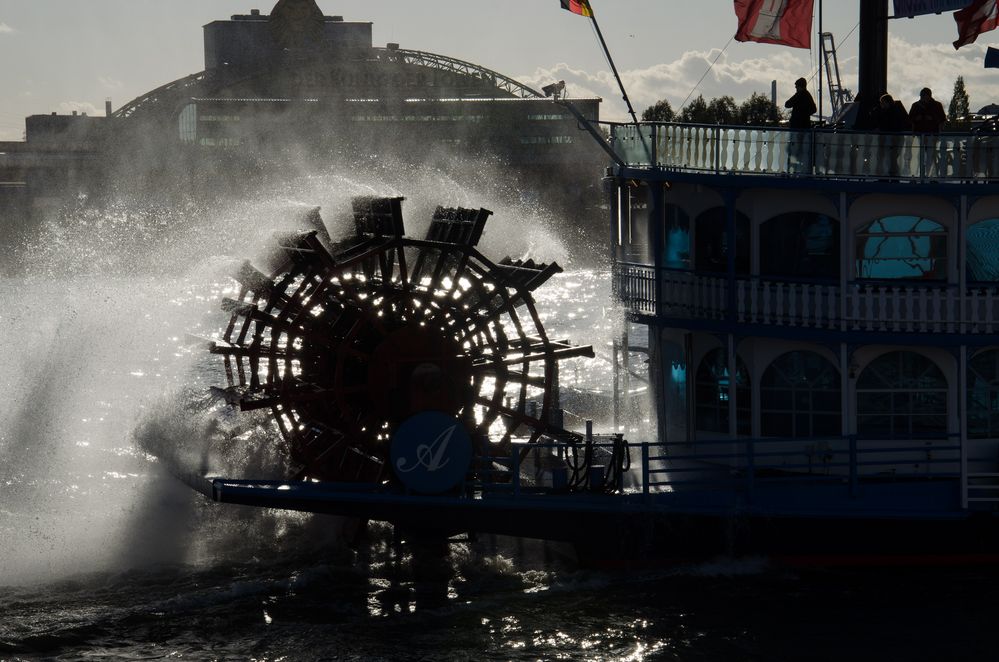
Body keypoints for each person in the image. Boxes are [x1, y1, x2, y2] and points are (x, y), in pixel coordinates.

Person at [870, 94, 912, 178]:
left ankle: (890, 176)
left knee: (889, 159)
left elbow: (889, 125)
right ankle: (892, 176)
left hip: (892, 139)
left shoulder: (889, 113)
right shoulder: (896, 111)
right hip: (893, 139)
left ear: (887, 102)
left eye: (882, 103)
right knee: (891, 159)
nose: (881, 104)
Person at [784, 77, 816, 172]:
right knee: (803, 149)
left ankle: (793, 169)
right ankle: (803, 169)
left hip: (796, 127)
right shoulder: (807, 95)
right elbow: (814, 109)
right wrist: (805, 114)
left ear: (799, 86)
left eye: (796, 87)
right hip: (805, 126)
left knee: (794, 149)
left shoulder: (799, 95)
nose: (796, 88)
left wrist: (800, 113)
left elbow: (787, 104)